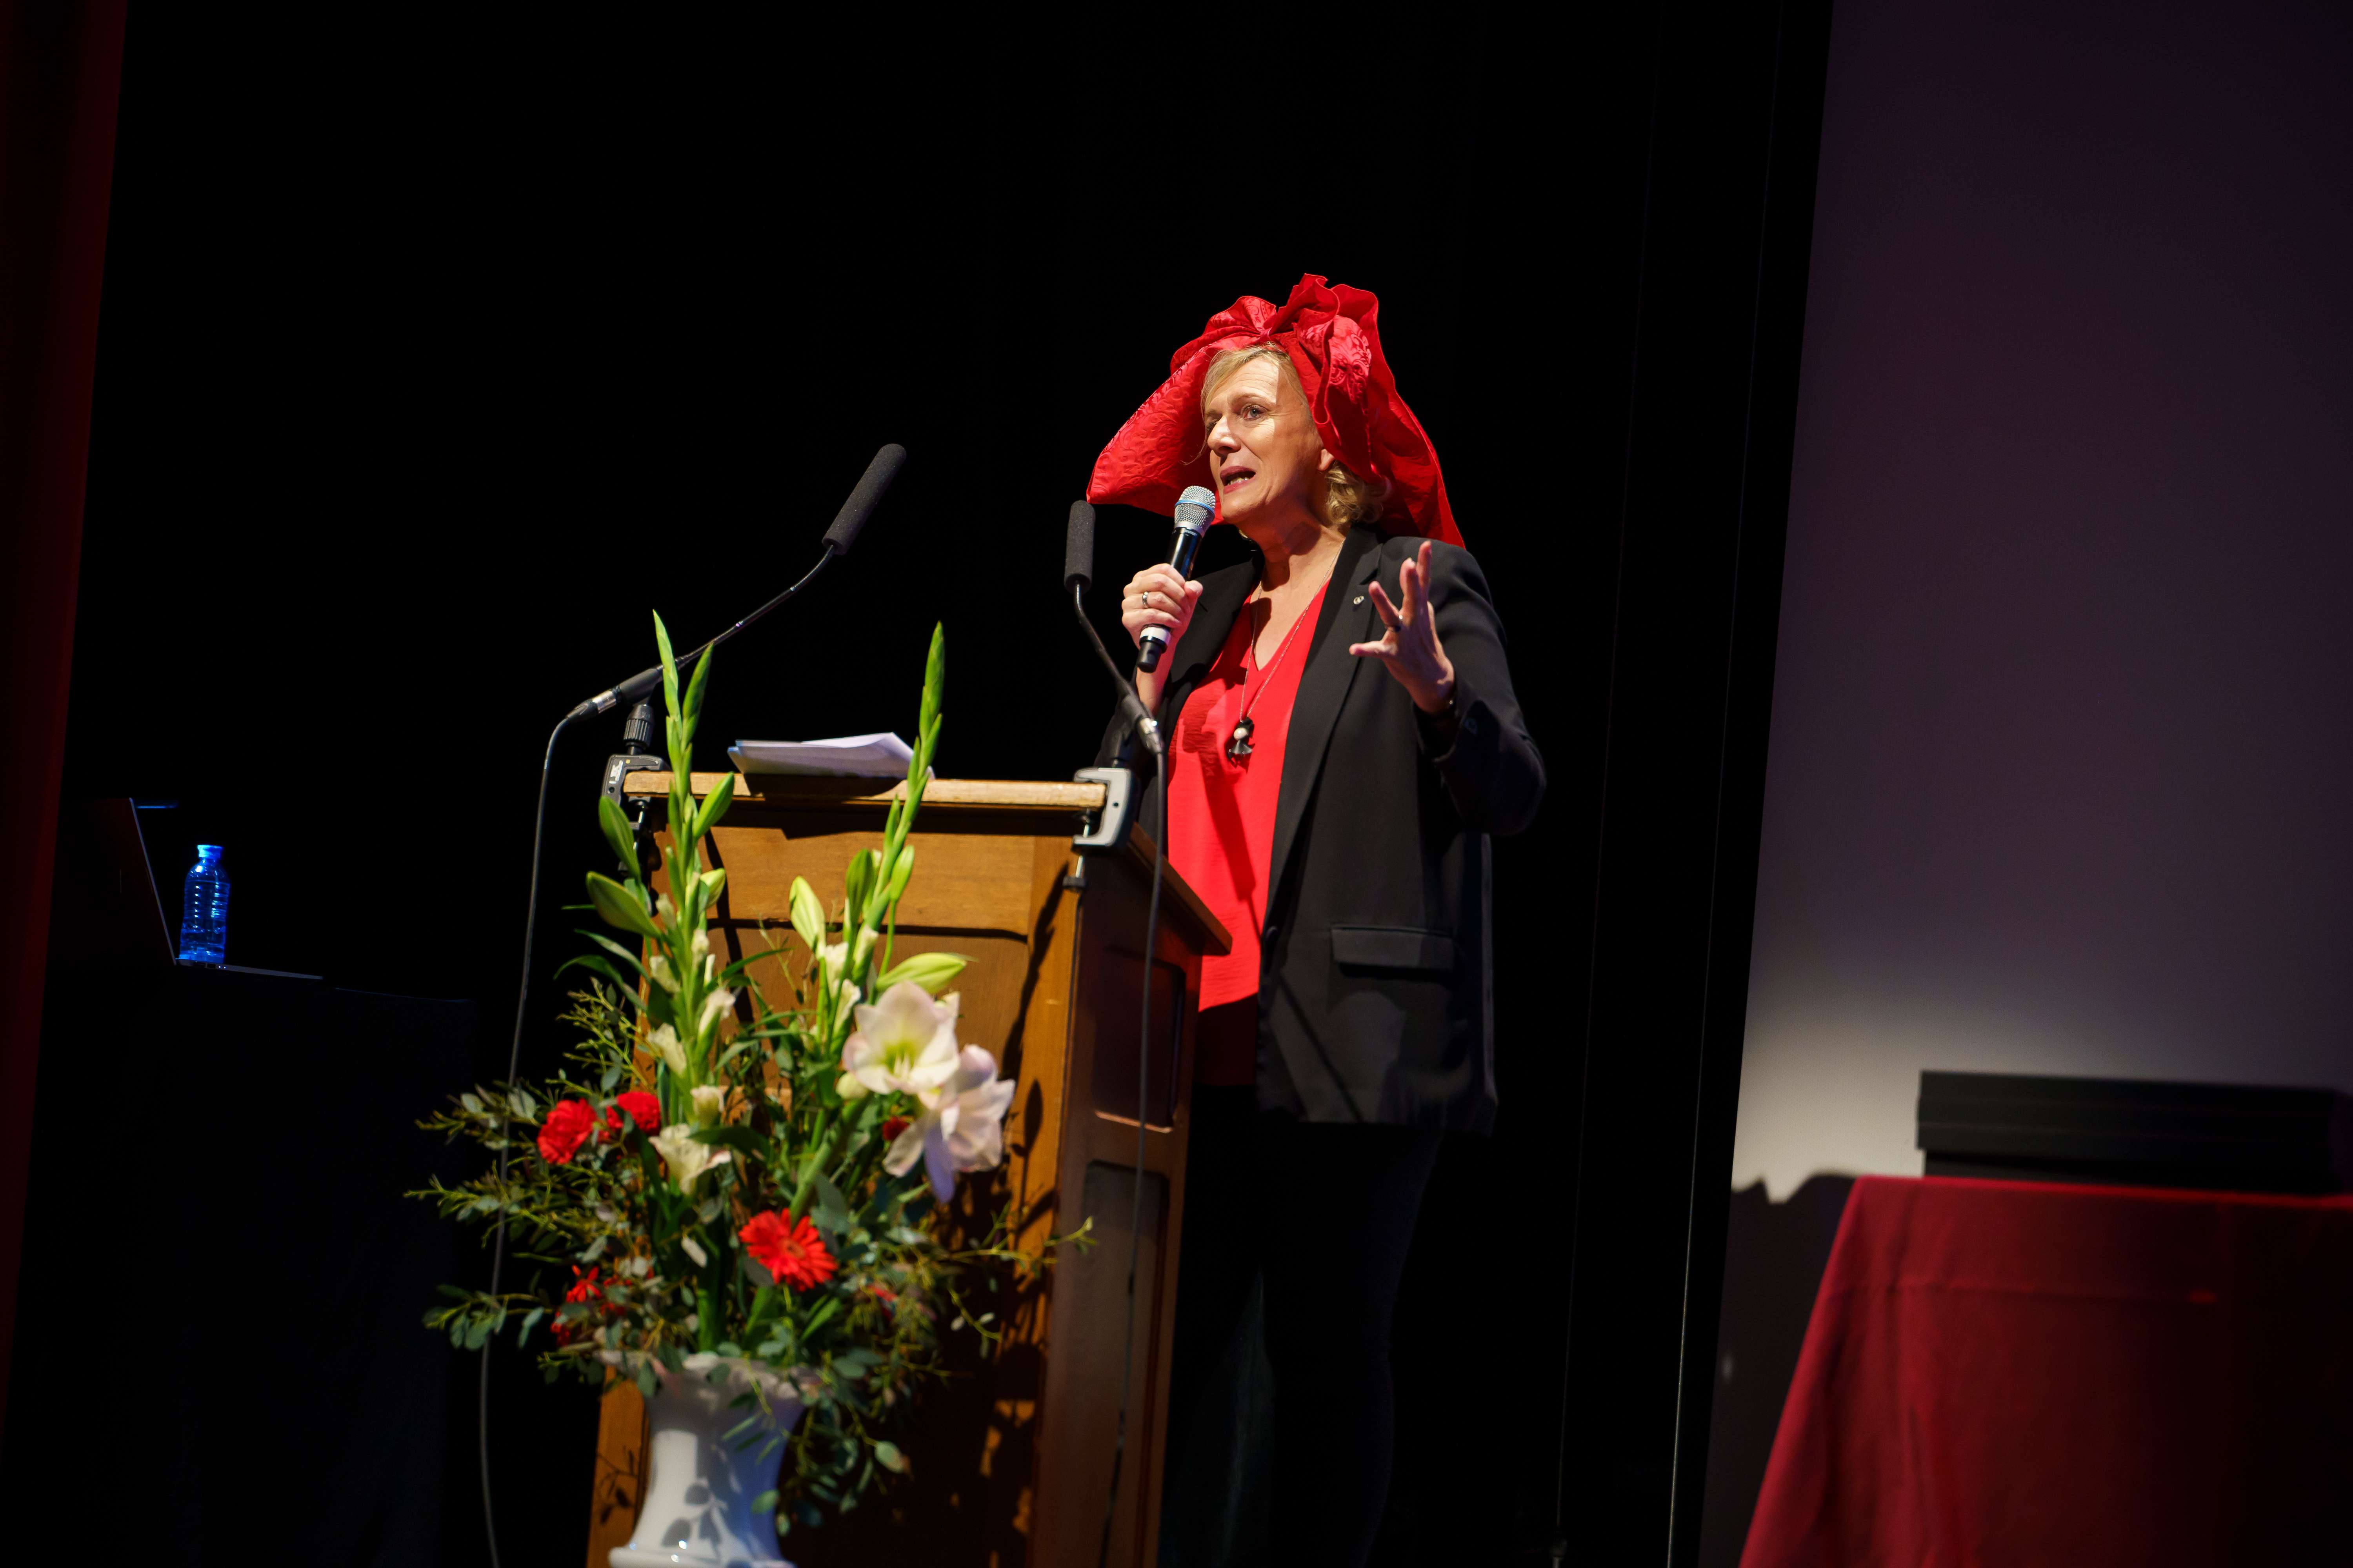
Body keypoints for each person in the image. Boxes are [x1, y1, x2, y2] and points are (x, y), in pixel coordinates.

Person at [1087, 275, 1544, 1563]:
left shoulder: (1418, 582)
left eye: (1249, 414)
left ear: (1324, 437)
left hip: (1347, 1046)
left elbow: (1514, 792)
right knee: (1160, 1365)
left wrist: (1441, 697)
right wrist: (1141, 681)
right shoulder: (1205, 612)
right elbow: (1101, 818)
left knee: (1326, 1362)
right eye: (1211, 425)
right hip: (1183, 1049)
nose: (1220, 442)